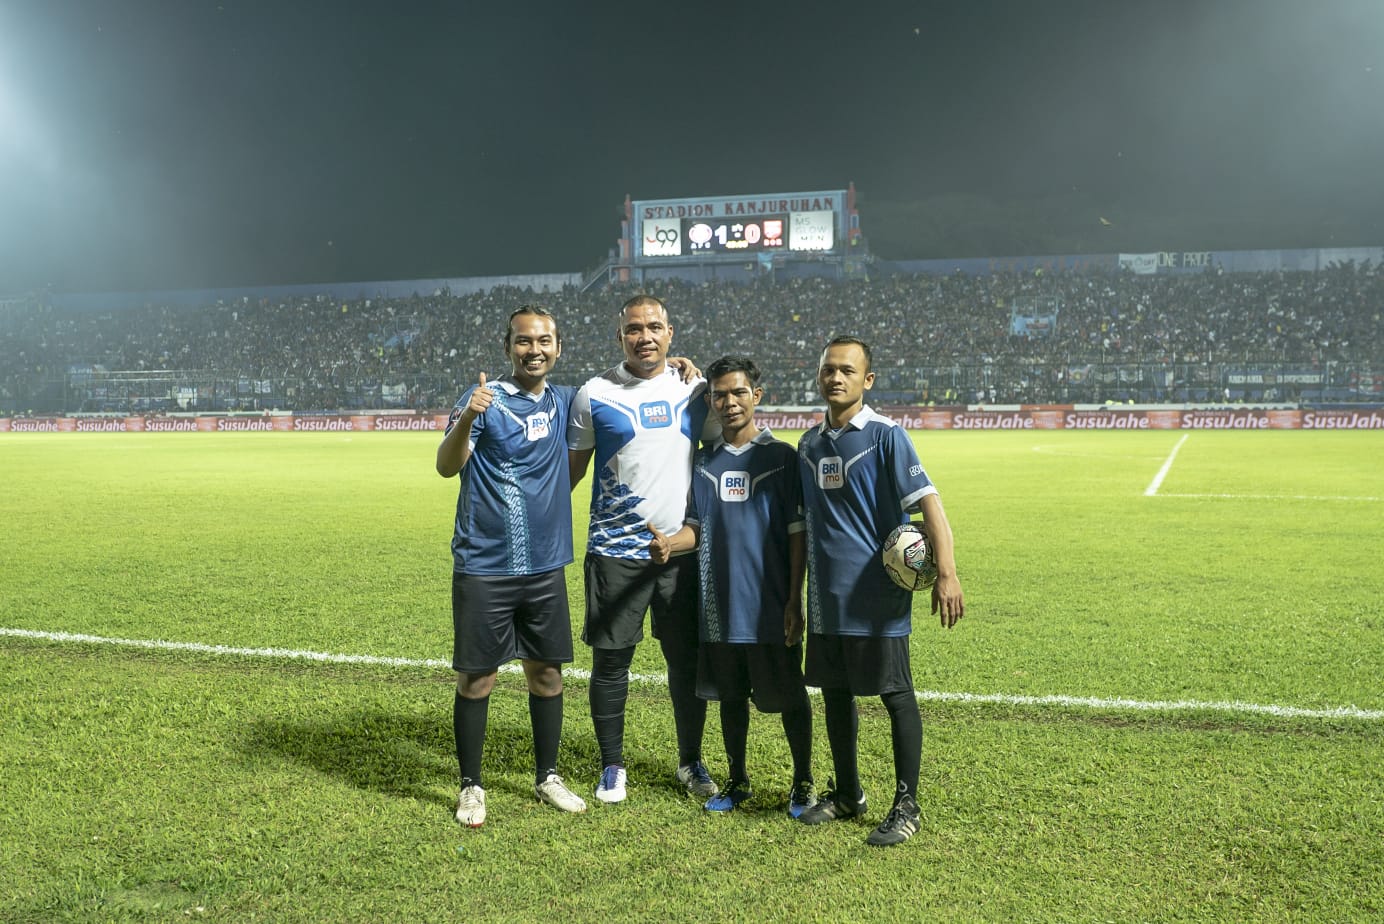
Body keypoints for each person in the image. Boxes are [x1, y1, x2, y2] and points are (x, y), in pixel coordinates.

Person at [795, 335, 964, 847]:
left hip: (876, 596)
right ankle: (848, 794)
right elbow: (804, 527)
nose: (835, 378)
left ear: (867, 380)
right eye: (828, 369)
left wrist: (948, 572)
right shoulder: (808, 446)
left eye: (847, 370)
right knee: (836, 693)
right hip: (826, 598)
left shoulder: (888, 437)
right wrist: (793, 599)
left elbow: (928, 502)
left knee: (894, 695)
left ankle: (907, 804)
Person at [436, 305, 587, 827]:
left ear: (558, 347)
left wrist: (681, 369)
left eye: (544, 340)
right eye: (524, 341)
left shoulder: (568, 400)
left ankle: (547, 776)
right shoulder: (486, 399)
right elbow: (445, 465)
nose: (534, 349)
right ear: (509, 348)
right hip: (485, 564)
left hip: (544, 566)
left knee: (546, 673)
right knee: (477, 679)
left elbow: (627, 385)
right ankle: (471, 786)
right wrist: (468, 416)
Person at [567, 294, 721, 804]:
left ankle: (690, 760)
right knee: (611, 663)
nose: (645, 336)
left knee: (687, 662)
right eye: (634, 329)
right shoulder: (594, 394)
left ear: (670, 333)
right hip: (615, 551)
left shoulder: (695, 389)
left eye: (654, 327)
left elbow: (725, 449)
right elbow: (570, 473)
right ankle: (612, 766)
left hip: (679, 552)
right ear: (621, 337)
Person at [648, 356, 816, 816]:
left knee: (790, 696)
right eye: (719, 395)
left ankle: (803, 782)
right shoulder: (703, 463)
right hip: (718, 606)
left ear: (756, 397)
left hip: (768, 605)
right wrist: (669, 545)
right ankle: (737, 779)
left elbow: (796, 533)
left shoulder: (782, 458)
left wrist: (794, 599)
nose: (728, 402)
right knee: (730, 697)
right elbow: (695, 528)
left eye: (738, 392)